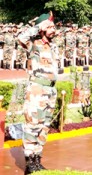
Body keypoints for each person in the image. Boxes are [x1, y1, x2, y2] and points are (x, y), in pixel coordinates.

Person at [18, 11, 58, 174]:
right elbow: (21, 38)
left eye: (53, 26)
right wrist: (37, 27)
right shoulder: (33, 43)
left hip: (50, 90)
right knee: (32, 125)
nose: (53, 29)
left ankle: (37, 159)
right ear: (41, 29)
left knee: (44, 126)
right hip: (37, 90)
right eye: (49, 26)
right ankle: (29, 162)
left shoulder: (53, 45)